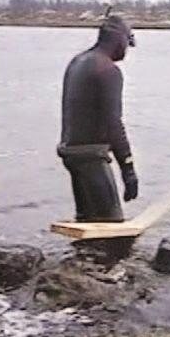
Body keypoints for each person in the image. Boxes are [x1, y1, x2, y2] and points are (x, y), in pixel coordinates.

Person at [57, 15, 138, 222]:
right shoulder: (108, 70)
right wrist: (127, 169)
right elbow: (114, 123)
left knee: (87, 223)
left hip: (71, 154)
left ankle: (81, 255)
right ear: (119, 39)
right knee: (112, 229)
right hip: (91, 157)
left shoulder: (77, 62)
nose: (126, 51)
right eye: (127, 44)